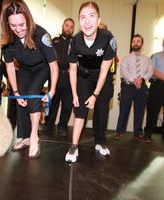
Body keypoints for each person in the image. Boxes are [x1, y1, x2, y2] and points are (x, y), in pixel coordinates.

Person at [0, 0, 58, 158]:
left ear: (28, 20)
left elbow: (53, 66)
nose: (18, 30)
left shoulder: (41, 34)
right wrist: (16, 92)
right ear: (7, 24)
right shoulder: (7, 39)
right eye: (13, 25)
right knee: (21, 100)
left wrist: (51, 91)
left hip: (43, 67)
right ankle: (25, 138)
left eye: (21, 25)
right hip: (25, 69)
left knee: (32, 95)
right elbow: (10, 68)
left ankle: (34, 137)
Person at [65, 1, 117, 163]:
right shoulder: (75, 41)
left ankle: (100, 142)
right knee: (80, 107)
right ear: (79, 21)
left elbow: (104, 70)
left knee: (101, 109)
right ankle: (74, 146)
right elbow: (72, 70)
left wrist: (95, 95)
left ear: (98, 19)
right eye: (83, 17)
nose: (87, 21)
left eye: (91, 16)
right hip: (84, 76)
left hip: (103, 77)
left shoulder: (108, 39)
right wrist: (74, 94)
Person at [114, 34, 153, 142]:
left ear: (142, 44)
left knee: (140, 111)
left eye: (138, 41)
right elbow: (124, 71)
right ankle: (119, 132)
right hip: (128, 86)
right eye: (134, 41)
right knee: (124, 110)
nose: (135, 43)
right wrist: (134, 80)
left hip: (142, 86)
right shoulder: (126, 58)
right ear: (131, 44)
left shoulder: (148, 59)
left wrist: (142, 79)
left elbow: (150, 71)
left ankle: (138, 134)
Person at [40, 18, 75, 137]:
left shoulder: (76, 43)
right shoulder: (53, 41)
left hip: (69, 78)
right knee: (52, 103)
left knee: (67, 104)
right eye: (67, 26)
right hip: (55, 76)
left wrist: (74, 68)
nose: (68, 29)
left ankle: (62, 127)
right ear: (62, 26)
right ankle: (48, 126)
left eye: (71, 27)